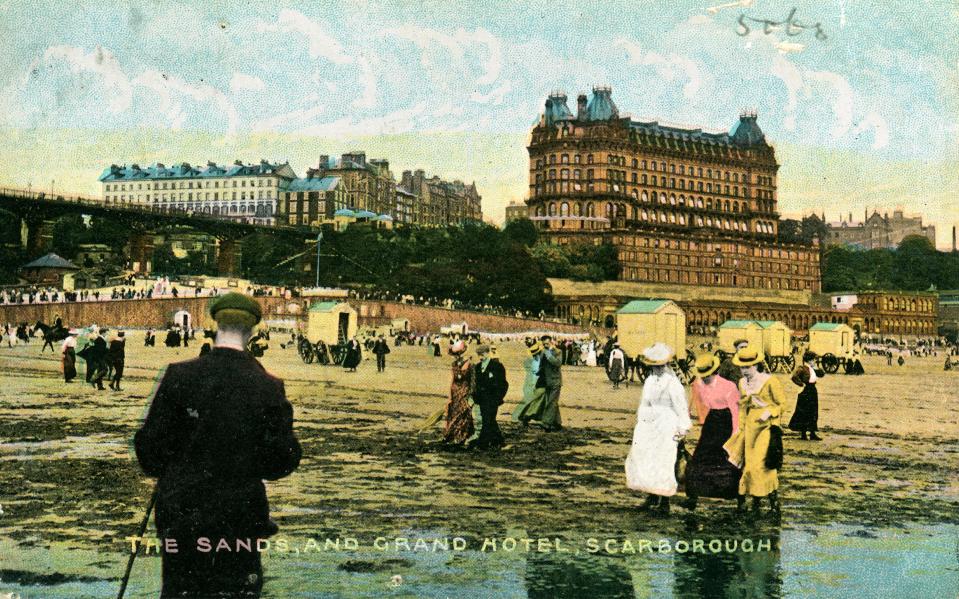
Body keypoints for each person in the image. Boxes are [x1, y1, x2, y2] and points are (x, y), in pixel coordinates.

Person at [134, 292, 301, 598]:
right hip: (240, 516)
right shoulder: (268, 386)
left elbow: (149, 450)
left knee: (180, 591)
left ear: (215, 325)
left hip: (181, 512)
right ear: (252, 332)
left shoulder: (179, 375)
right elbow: (282, 460)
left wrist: (176, 465)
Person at [625, 343, 692, 515]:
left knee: (665, 461)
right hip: (650, 425)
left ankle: (665, 500)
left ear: (666, 365)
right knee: (648, 459)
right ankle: (651, 496)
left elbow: (681, 407)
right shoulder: (649, 381)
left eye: (660, 366)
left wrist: (683, 428)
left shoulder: (673, 383)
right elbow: (644, 403)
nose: (657, 369)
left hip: (667, 424)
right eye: (654, 366)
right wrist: (641, 422)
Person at [723, 345, 784, 516]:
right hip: (750, 427)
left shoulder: (770, 381)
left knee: (761, 464)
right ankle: (753, 501)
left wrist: (768, 413)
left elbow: (782, 404)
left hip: (767, 426)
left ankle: (774, 502)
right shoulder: (743, 383)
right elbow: (743, 406)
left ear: (756, 365)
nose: (745, 371)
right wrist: (741, 427)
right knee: (748, 465)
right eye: (742, 367)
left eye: (748, 367)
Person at [682, 354, 743, 511]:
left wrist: (735, 433)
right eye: (701, 375)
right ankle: (692, 496)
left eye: (706, 376)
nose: (704, 378)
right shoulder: (700, 384)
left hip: (726, 422)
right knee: (700, 457)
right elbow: (703, 404)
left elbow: (735, 411)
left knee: (729, 458)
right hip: (711, 422)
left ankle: (737, 497)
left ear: (714, 372)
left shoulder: (728, 386)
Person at [470, 344, 508, 449]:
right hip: (482, 399)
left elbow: (503, 384)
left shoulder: (497, 366)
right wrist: (475, 397)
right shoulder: (477, 367)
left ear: (487, 353)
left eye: (482, 354)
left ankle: (483, 443)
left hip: (492, 399)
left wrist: (498, 397)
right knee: (490, 420)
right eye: (479, 355)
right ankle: (498, 440)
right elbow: (475, 384)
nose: (480, 357)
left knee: (487, 420)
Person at [444, 340, 474, 446]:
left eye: (458, 354)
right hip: (455, 391)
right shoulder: (454, 364)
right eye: (455, 355)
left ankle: (463, 436)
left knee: (464, 413)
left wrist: (471, 396)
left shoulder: (470, 364)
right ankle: (454, 435)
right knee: (454, 413)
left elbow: (473, 381)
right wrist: (449, 396)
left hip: (465, 391)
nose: (457, 357)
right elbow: (452, 380)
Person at [788, 351, 823, 441]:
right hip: (805, 390)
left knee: (813, 411)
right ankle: (803, 434)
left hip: (812, 389)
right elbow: (794, 377)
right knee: (804, 412)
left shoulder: (812, 368)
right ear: (809, 360)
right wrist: (801, 384)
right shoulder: (802, 368)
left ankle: (812, 433)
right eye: (814, 359)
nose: (815, 361)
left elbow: (822, 374)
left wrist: (816, 368)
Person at [512, 340, 547, 425]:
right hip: (536, 382)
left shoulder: (536, 360)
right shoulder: (536, 361)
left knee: (537, 400)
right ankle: (523, 416)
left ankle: (529, 417)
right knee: (533, 399)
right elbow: (537, 373)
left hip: (536, 381)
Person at [537, 335, 563, 432]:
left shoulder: (558, 351)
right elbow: (541, 365)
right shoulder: (543, 352)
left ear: (551, 342)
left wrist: (548, 355)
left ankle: (546, 423)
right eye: (544, 344)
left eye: (547, 344)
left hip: (556, 381)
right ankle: (557, 423)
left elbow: (558, 363)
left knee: (551, 402)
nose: (545, 346)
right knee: (553, 402)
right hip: (546, 381)